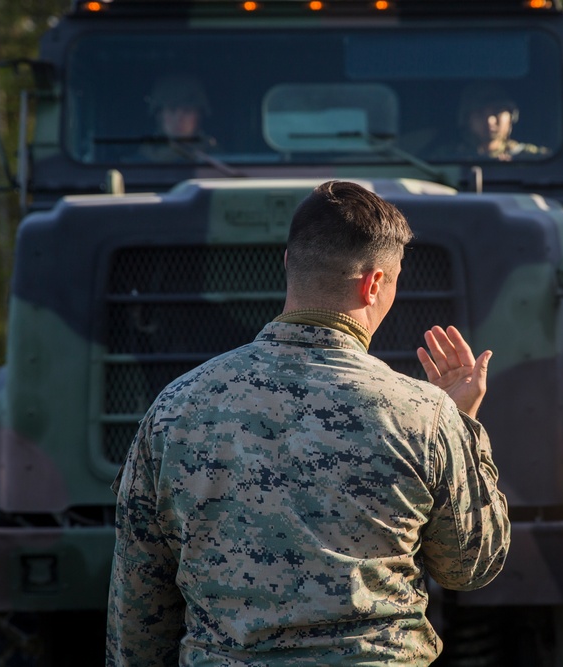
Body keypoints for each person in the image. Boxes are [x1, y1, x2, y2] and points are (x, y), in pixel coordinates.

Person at [106, 180, 510, 666]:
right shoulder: (423, 414)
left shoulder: (175, 408)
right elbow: (470, 566)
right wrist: (461, 426)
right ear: (374, 283)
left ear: (288, 264)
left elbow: (139, 607)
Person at [456, 83, 547, 161]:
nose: (490, 121)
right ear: (467, 120)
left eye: (497, 112)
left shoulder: (532, 156)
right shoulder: (454, 157)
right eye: (480, 113)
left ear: (511, 117)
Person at [140, 72, 219, 161]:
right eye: (172, 110)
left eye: (187, 111)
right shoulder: (139, 162)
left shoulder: (218, 159)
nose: (179, 119)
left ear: (198, 116)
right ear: (159, 115)